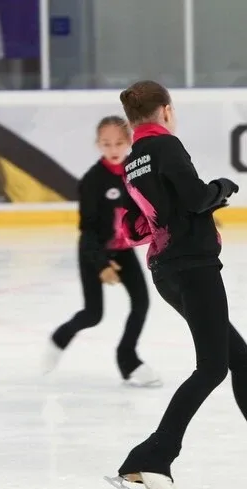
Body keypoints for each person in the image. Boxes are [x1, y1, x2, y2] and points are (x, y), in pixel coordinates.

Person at [103, 81, 247, 489]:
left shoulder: (133, 160)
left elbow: (135, 226)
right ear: (166, 110)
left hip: (166, 270)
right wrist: (222, 188)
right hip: (193, 268)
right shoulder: (166, 145)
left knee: (240, 361)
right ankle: (152, 456)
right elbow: (195, 197)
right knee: (213, 366)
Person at [45, 116, 161, 387]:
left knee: (141, 303)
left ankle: (127, 359)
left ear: (129, 142)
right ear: (98, 145)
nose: (113, 149)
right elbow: (87, 231)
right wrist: (101, 265)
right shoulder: (92, 181)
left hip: (123, 250)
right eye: (106, 144)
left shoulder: (136, 172)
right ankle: (60, 338)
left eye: (119, 143)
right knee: (93, 314)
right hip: (94, 251)